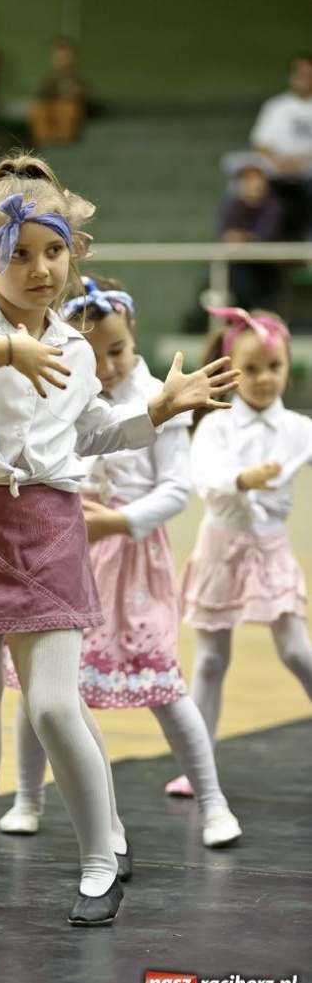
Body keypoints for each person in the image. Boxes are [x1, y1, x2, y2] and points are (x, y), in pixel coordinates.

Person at [0, 154, 240, 925]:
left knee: (53, 705)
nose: (39, 268)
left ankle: (98, 860)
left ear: (72, 254)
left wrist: (156, 410)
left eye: (52, 251)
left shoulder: (79, 348)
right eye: (18, 254)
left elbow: (90, 431)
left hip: (50, 528)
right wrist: (1, 349)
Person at [0, 276, 242, 855]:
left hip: (133, 567)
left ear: (134, 336)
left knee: (163, 684)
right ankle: (27, 799)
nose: (106, 366)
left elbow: (177, 490)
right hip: (68, 557)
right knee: (42, 689)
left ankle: (213, 801)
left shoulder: (162, 397)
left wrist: (117, 521)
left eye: (117, 350)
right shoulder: (64, 393)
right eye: (93, 353)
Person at [165, 306, 312, 799]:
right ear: (232, 370)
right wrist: (245, 478)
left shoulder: (298, 428)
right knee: (209, 661)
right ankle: (197, 764)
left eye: (274, 367)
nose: (264, 379)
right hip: (220, 549)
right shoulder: (216, 426)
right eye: (251, 368)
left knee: (296, 649)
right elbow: (205, 479)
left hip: (270, 549)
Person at [249, 53, 312, 240]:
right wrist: (282, 163)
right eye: (300, 75)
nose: (304, 80)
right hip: (277, 174)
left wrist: (300, 162)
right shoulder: (277, 106)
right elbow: (259, 144)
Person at [218, 155, 285, 311]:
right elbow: (225, 234)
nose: (253, 184)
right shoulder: (232, 206)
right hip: (238, 265)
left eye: (256, 179)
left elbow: (267, 234)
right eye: (247, 179)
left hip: (267, 267)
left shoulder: (273, 206)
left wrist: (244, 237)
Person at [29, 37, 91, 146]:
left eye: (65, 56)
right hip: (51, 109)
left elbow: (84, 97)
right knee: (38, 110)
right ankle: (44, 142)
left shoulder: (77, 79)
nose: (62, 60)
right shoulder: (49, 78)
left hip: (68, 110)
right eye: (58, 56)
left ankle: (63, 142)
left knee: (66, 109)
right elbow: (41, 96)